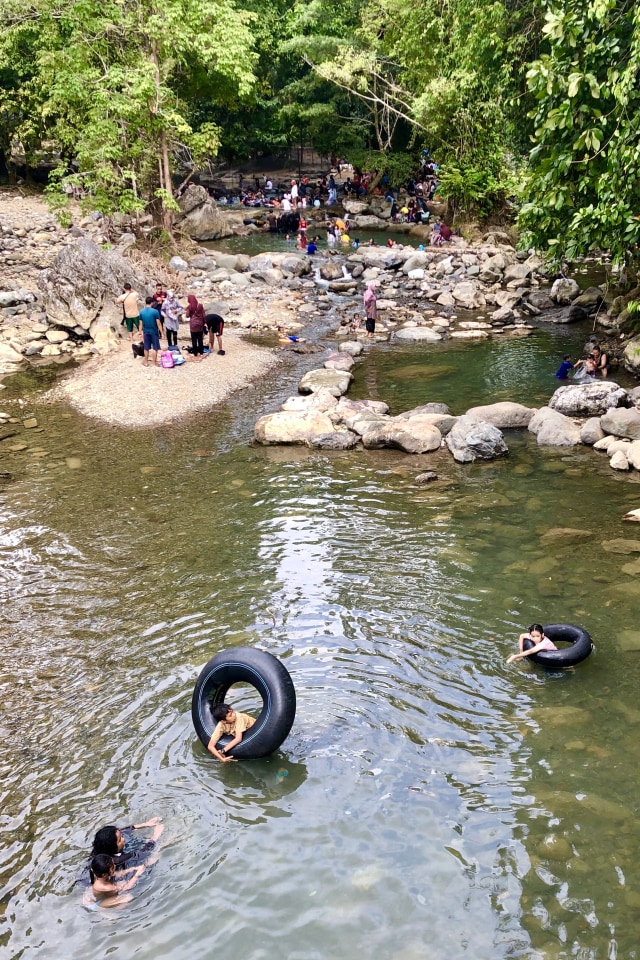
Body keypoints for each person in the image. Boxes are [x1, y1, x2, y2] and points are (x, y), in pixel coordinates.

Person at [91, 818, 164, 869]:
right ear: (113, 848)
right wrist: (155, 836)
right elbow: (141, 853)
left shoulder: (99, 847)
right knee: (153, 856)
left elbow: (121, 831)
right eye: (120, 840)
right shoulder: (117, 860)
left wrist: (145, 824)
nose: (123, 839)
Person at [139, 296, 163, 367]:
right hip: (154, 332)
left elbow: (140, 324)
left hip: (146, 331)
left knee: (146, 347)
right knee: (155, 347)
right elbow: (158, 323)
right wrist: (162, 333)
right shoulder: (155, 311)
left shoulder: (141, 311)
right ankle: (154, 363)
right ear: (151, 303)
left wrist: (140, 333)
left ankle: (146, 362)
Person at [186, 294, 206, 360]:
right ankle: (201, 352)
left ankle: (195, 353)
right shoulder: (200, 305)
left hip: (193, 325)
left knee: (194, 340)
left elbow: (187, 315)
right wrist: (204, 322)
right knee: (200, 339)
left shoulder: (189, 307)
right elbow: (204, 315)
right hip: (200, 325)